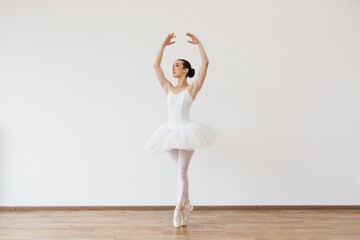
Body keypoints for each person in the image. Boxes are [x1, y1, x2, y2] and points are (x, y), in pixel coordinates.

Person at [144, 32, 218, 228]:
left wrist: (199, 44)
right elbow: (155, 66)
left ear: (185, 70)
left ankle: (178, 206)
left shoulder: (192, 89)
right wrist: (163, 45)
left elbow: (205, 64)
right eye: (173, 65)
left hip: (186, 132)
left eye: (177, 65)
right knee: (178, 171)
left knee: (182, 171)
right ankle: (186, 204)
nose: (173, 68)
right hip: (169, 132)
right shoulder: (168, 87)